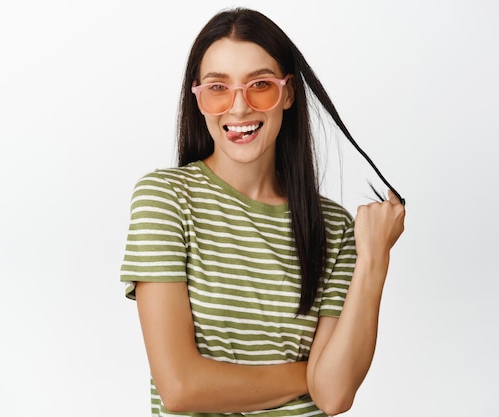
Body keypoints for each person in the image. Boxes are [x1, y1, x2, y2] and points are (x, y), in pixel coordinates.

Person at [120, 7, 406, 417]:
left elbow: (336, 395)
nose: (239, 108)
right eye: (218, 87)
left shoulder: (334, 227)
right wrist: (311, 376)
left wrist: (375, 258)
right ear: (197, 98)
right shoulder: (164, 199)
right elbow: (181, 388)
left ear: (288, 93)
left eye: (260, 84)